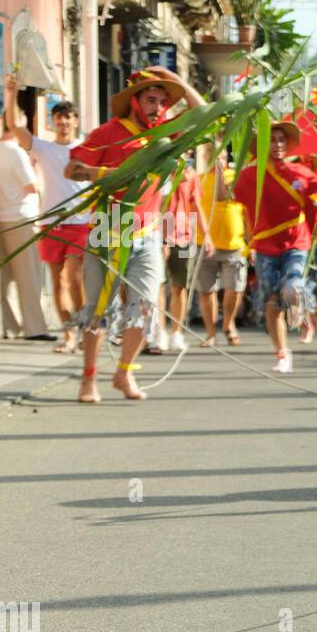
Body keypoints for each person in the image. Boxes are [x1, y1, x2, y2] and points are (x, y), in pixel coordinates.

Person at [66, 67, 205, 402]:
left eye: (163, 101)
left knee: (144, 310)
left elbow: (202, 115)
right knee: (97, 311)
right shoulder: (108, 132)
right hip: (107, 230)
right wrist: (109, 173)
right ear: (134, 100)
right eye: (151, 99)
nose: (158, 107)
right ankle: (89, 379)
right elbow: (71, 168)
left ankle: (124, 373)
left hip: (148, 232)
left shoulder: (164, 136)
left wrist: (177, 79)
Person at [234, 121, 317, 374]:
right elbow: (227, 195)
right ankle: (283, 353)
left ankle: (303, 311)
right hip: (264, 245)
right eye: (272, 140)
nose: (277, 145)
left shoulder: (300, 172)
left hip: (296, 242)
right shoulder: (250, 175)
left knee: (292, 286)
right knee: (273, 300)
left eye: (282, 140)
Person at [4, 75, 83, 352]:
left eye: (67, 117)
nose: (62, 122)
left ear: (75, 121)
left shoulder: (87, 149)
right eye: (58, 118)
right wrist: (11, 93)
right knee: (57, 283)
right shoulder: (44, 149)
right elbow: (15, 126)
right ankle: (70, 334)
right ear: (53, 122)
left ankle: (85, 325)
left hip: (81, 224)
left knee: (72, 278)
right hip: (52, 225)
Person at [0, 128, 53, 343]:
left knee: (6, 276)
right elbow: (33, 186)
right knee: (29, 277)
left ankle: (10, 327)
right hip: (21, 219)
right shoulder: (16, 152)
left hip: (0, 217)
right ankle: (34, 328)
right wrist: (38, 168)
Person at [155, 156, 208, 355]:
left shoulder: (191, 174)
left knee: (179, 287)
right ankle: (159, 333)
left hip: (183, 235)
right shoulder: (156, 170)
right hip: (156, 234)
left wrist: (206, 234)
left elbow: (197, 205)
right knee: (158, 286)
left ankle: (176, 333)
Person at [197, 159, 249, 347]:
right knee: (206, 291)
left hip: (234, 243)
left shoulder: (237, 177)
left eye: (220, 154)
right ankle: (210, 333)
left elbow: (244, 207)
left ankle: (229, 322)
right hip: (203, 243)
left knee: (234, 288)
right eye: (211, 153)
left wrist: (253, 240)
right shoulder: (199, 179)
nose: (216, 158)